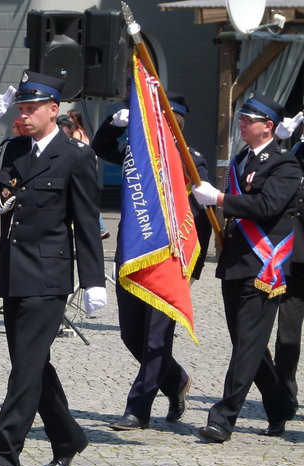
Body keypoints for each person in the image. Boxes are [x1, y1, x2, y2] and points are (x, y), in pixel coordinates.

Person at [0, 71, 106, 466]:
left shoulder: (75, 156)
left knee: (24, 369)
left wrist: (93, 279)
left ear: (53, 111)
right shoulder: (10, 150)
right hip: (13, 274)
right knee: (33, 365)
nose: (22, 115)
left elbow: (86, 221)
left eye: (30, 108)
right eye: (19, 108)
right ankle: (68, 437)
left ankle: (5, 453)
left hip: (49, 277)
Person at [90, 92, 209, 430]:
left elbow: (198, 218)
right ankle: (175, 380)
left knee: (157, 340)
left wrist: (192, 268)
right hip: (133, 257)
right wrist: (115, 124)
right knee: (131, 335)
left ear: (175, 125)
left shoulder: (191, 161)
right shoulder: (137, 156)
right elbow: (101, 147)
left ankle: (137, 410)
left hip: (168, 263)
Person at [192, 93, 300, 443]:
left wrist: (221, 199)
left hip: (264, 265)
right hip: (236, 261)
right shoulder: (240, 159)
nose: (242, 123)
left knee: (247, 345)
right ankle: (281, 405)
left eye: (249, 119)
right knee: (247, 343)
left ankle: (223, 418)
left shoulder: (285, 165)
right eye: (241, 117)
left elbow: (268, 205)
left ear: (268, 126)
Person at [252, 110, 304, 436]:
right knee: (286, 336)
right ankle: (283, 402)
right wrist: (283, 143)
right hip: (295, 258)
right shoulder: (293, 153)